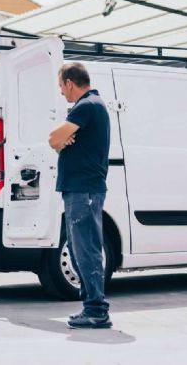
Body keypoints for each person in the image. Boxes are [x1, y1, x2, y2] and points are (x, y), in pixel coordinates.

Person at [48, 62, 111, 329]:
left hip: (83, 190)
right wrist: (64, 139)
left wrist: (63, 138)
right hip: (81, 189)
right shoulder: (90, 107)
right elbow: (60, 141)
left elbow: (53, 139)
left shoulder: (87, 106)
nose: (62, 92)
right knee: (79, 249)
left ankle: (96, 310)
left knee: (86, 250)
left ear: (70, 82)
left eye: (61, 86)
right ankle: (92, 308)